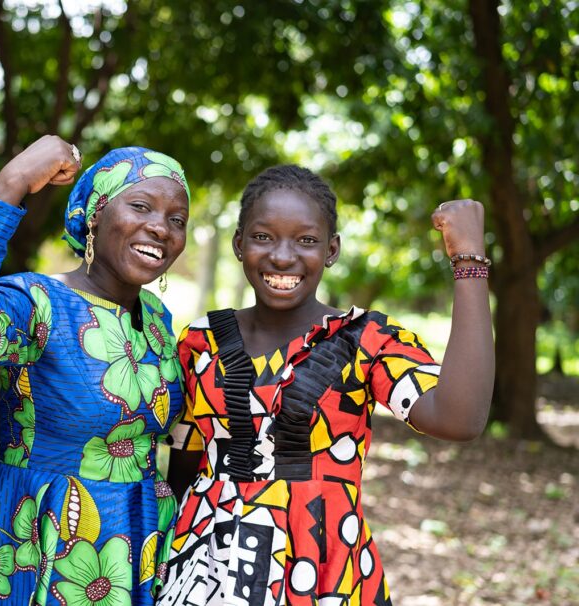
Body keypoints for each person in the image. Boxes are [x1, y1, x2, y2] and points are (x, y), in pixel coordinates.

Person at [159, 164, 494, 605]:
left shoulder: (366, 341)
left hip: (322, 571)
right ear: (239, 244)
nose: (282, 256)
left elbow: (460, 419)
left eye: (306, 240)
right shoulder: (201, 341)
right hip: (206, 569)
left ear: (331, 250)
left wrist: (468, 260)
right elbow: (184, 464)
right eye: (263, 237)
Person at [0, 141, 191, 604]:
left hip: (135, 545)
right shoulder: (38, 303)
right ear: (95, 214)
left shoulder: (160, 321)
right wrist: (12, 184)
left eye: (177, 219)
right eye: (140, 206)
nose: (159, 228)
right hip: (38, 539)